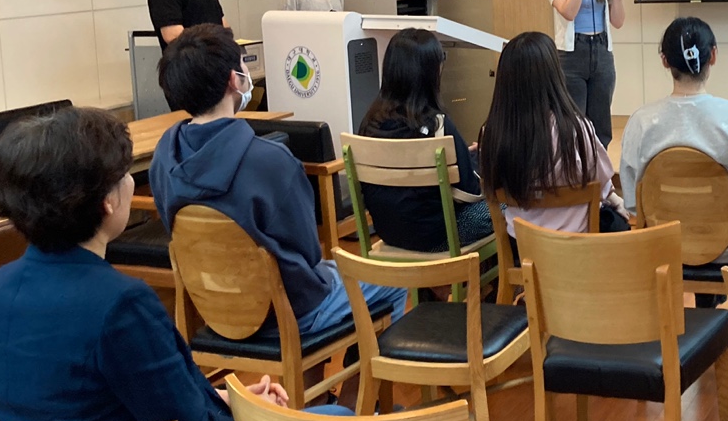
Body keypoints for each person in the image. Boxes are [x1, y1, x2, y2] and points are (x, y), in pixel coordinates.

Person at [0, 106, 291, 421]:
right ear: (106, 201)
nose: (129, 184)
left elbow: (104, 407)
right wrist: (257, 419)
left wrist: (227, 400)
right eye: (124, 176)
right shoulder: (121, 305)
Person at [149, 24, 406, 323]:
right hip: (287, 311)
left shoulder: (164, 156)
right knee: (395, 280)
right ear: (234, 79)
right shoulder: (270, 161)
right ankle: (363, 355)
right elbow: (308, 252)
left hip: (213, 310)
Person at [620, 17, 728, 296]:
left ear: (664, 61)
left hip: (665, 248)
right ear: (713, 56)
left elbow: (633, 205)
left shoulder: (640, 123)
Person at [478, 31, 628, 240]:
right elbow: (602, 185)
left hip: (522, 245)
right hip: (577, 246)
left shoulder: (491, 133)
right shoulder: (577, 129)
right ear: (555, 75)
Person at [358, 27, 494, 253]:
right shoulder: (437, 125)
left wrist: (461, 155)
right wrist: (480, 161)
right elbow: (471, 192)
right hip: (438, 238)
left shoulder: (369, 124)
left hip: (389, 233)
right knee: (509, 206)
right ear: (431, 72)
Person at [545, 0, 627, 148]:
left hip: (601, 51)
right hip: (572, 55)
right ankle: (574, 168)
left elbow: (618, 21)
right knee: (573, 123)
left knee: (601, 124)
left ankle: (599, 167)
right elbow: (569, 12)